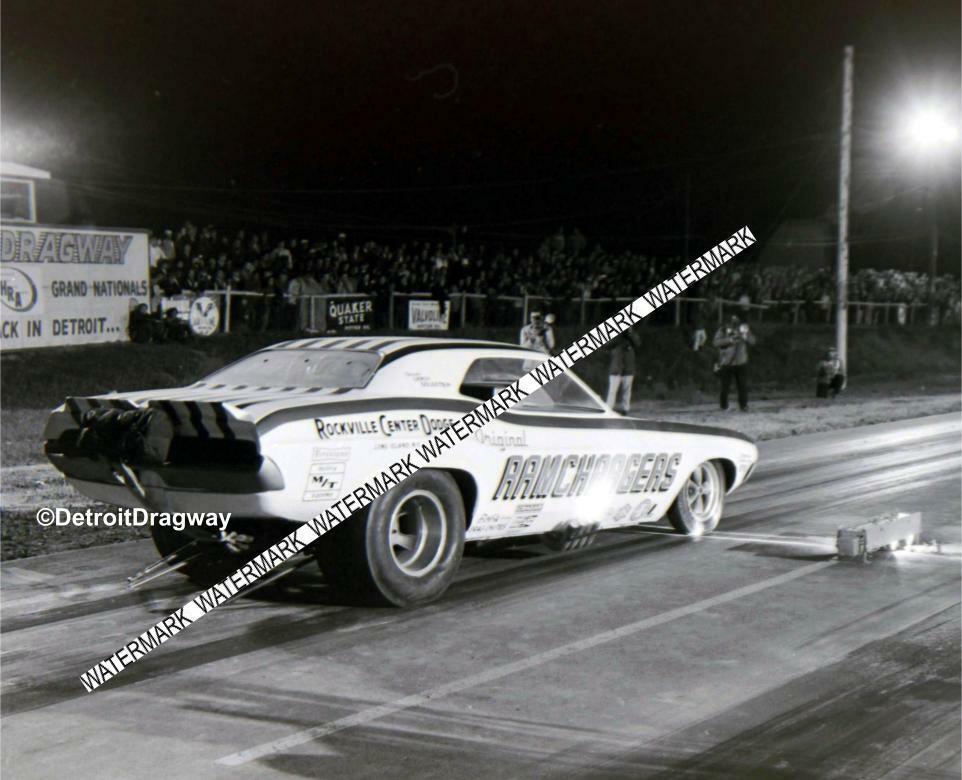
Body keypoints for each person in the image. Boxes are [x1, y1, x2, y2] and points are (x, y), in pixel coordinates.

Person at [713, 315, 755, 411]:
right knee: (725, 386)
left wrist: (745, 336)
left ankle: (743, 405)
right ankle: (724, 406)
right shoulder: (723, 330)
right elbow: (715, 342)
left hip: (741, 362)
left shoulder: (743, 329)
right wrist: (729, 340)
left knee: (742, 386)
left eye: (736, 323)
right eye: (731, 323)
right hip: (727, 362)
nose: (733, 325)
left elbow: (752, 341)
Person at [606, 329, 639, 414]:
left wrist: (631, 333)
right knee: (612, 391)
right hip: (616, 367)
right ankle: (609, 408)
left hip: (628, 367)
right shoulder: (616, 337)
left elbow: (638, 343)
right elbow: (608, 344)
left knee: (626, 391)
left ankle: (625, 409)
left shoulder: (631, 337)